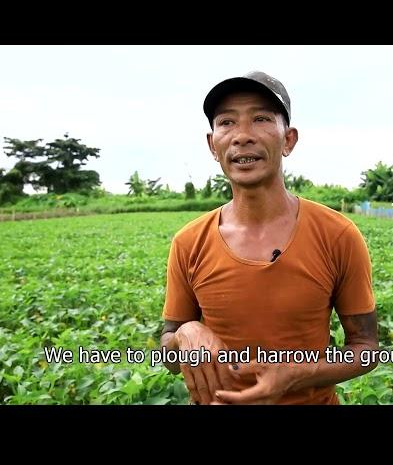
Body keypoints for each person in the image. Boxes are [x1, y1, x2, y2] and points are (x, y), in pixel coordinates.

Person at [160, 71, 378, 405]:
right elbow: (169, 354)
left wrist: (295, 374)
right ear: (212, 145)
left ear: (288, 139)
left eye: (261, 119)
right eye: (227, 123)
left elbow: (365, 349)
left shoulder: (338, 235)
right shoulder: (189, 242)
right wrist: (184, 335)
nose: (242, 136)